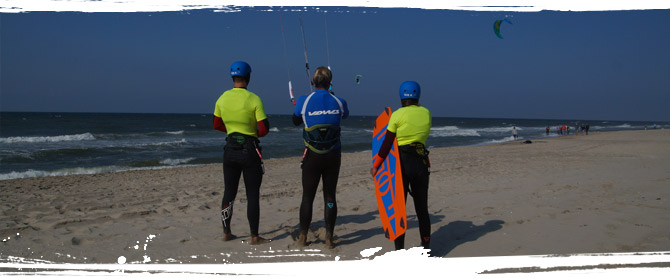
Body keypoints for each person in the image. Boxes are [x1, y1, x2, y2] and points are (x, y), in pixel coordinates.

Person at [213, 61, 270, 245]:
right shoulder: (254, 99)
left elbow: (216, 124)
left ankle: (226, 232)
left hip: (229, 149)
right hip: (249, 149)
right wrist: (249, 132)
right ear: (248, 77)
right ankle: (254, 236)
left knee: (229, 192)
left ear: (233, 78)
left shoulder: (222, 98)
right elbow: (264, 129)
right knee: (252, 194)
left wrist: (232, 130)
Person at [370, 81, 432, 250]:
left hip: (401, 167)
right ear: (417, 95)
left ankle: (399, 250)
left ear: (401, 96)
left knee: (399, 211)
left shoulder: (396, 116)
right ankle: (426, 247)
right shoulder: (426, 113)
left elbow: (386, 144)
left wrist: (376, 165)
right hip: (420, 165)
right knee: (422, 211)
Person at [292, 66, 349, 249]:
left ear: (312, 82)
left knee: (307, 196)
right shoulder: (339, 101)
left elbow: (295, 121)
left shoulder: (304, 100)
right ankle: (329, 239)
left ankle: (302, 238)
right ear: (330, 82)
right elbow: (344, 116)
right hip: (333, 155)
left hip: (312, 156)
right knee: (330, 195)